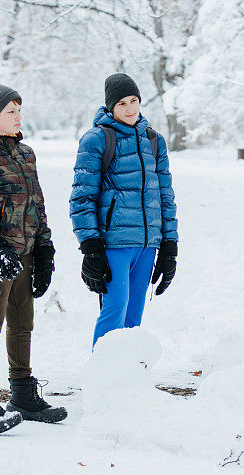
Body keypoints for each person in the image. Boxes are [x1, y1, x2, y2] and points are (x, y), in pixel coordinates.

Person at [0, 82, 67, 435]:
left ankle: (22, 392)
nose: (18, 116)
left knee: (23, 323)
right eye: (10, 111)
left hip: (26, 250)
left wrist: (45, 248)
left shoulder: (26, 153)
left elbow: (38, 204)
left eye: (20, 110)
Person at [70, 73, 178, 348]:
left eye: (134, 101)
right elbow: (82, 196)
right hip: (113, 243)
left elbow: (165, 196)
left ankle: (128, 380)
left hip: (147, 243)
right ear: (110, 107)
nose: (130, 108)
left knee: (133, 318)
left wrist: (169, 246)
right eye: (122, 103)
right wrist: (91, 246)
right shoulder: (97, 139)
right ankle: (102, 379)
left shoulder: (154, 141)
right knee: (113, 312)